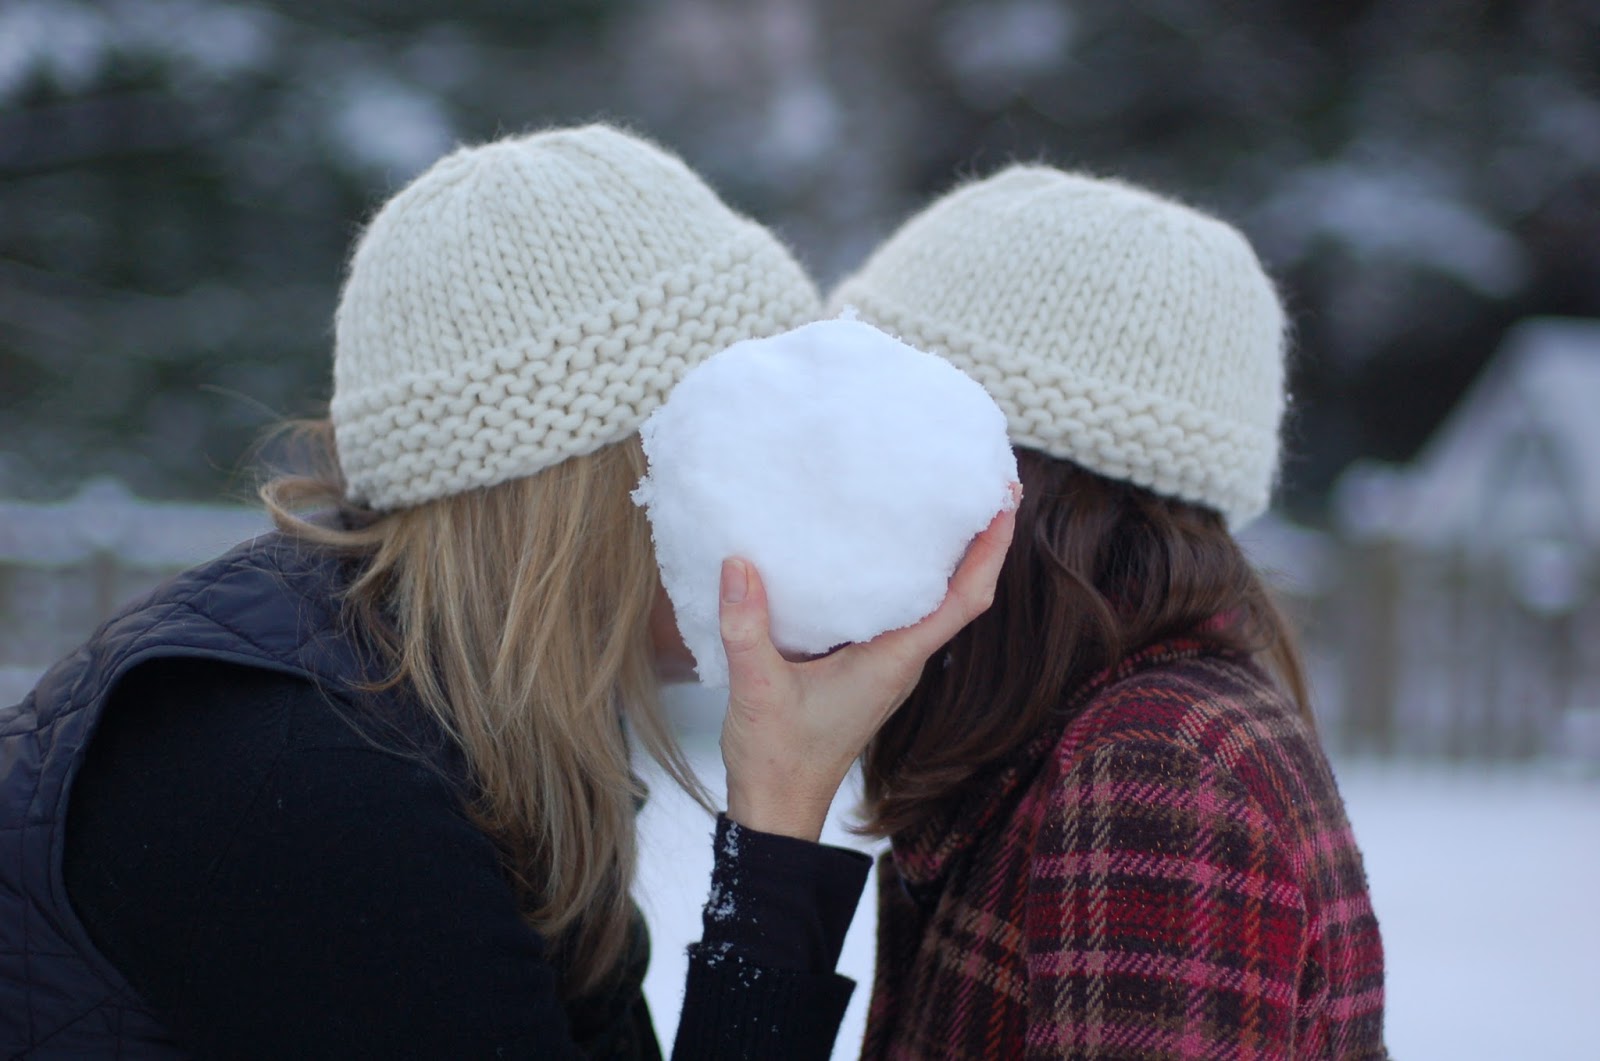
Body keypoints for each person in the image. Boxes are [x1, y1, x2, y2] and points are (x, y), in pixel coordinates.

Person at [0, 125, 1016, 1060]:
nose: (797, 509)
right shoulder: (304, 774)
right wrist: (778, 827)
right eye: (760, 455)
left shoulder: (463, 723)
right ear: (603, 483)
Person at [828, 166, 1388, 1058]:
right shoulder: (1087, 736)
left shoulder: (1156, 772)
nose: (846, 475)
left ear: (1018, 477)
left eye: (886, 429)